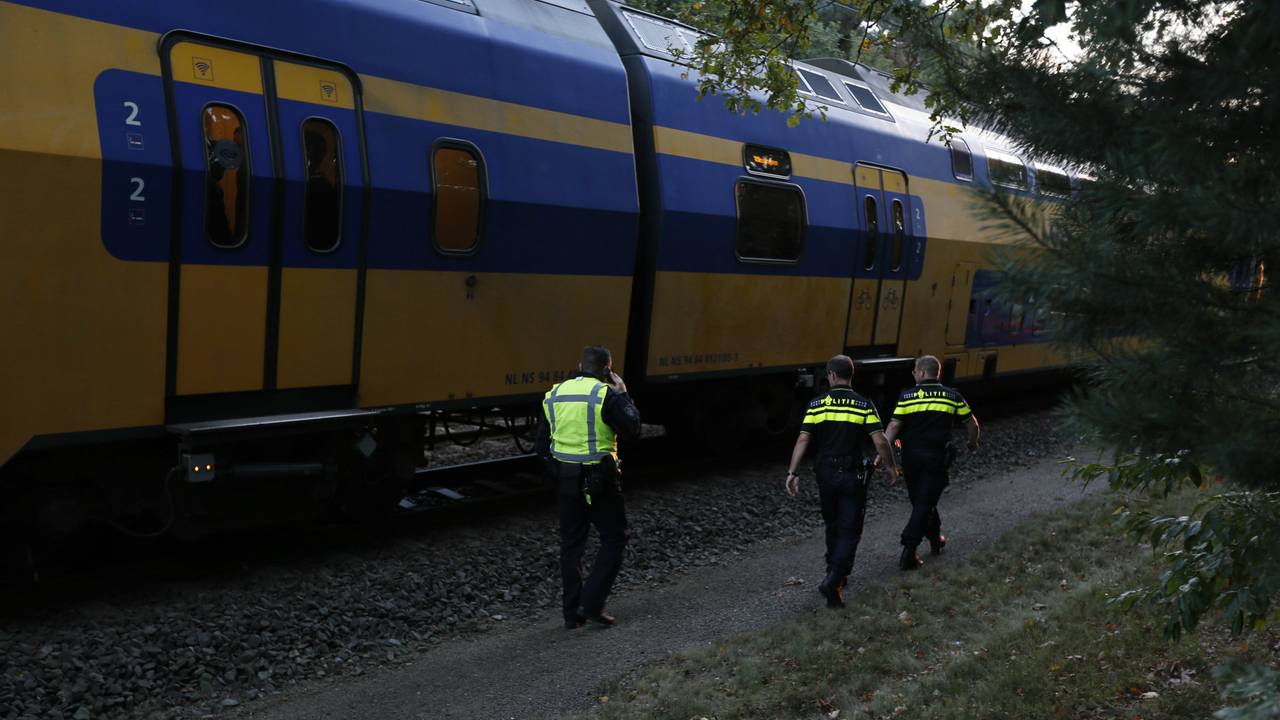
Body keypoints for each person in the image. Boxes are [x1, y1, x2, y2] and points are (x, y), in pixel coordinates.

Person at [534, 346, 642, 629]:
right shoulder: (605, 395)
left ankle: (572, 614)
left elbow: (541, 446)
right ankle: (592, 602)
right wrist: (624, 393)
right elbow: (633, 429)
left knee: (571, 544)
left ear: (578, 364)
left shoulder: (554, 394)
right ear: (607, 370)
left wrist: (561, 470)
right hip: (600, 481)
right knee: (614, 538)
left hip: (566, 480)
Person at [784, 355, 900, 608]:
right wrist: (891, 466)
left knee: (833, 523)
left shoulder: (816, 404)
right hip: (851, 474)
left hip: (825, 473)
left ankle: (831, 571)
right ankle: (834, 578)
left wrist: (792, 472)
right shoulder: (863, 404)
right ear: (851, 376)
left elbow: (803, 440)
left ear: (832, 375)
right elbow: (880, 440)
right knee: (850, 529)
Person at [884, 355, 981, 571]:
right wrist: (972, 444)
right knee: (925, 502)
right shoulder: (952, 396)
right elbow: (972, 424)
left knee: (922, 501)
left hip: (910, 458)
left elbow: (892, 427)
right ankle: (910, 550)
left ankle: (933, 541)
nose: (913, 375)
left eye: (914, 371)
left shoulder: (906, 396)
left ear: (921, 372)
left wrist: (882, 452)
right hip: (936, 458)